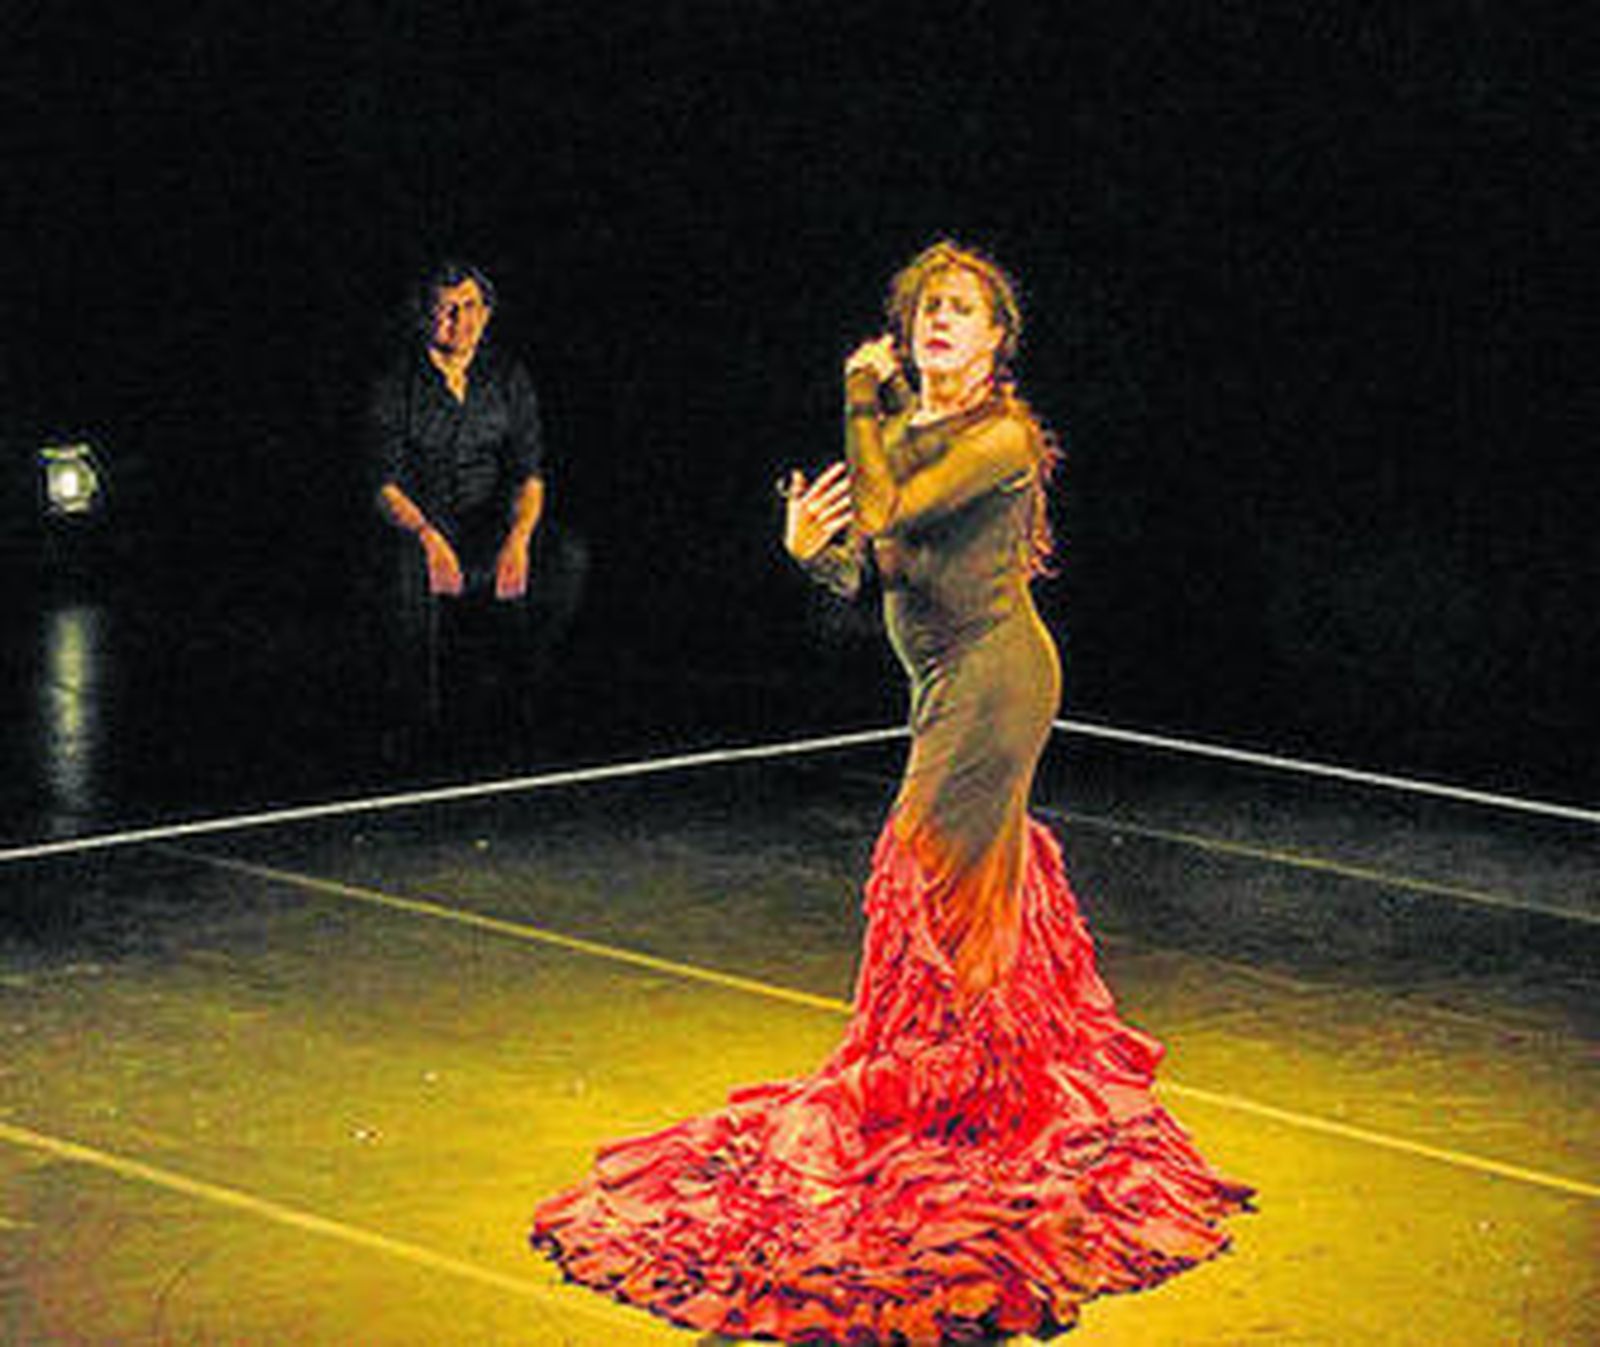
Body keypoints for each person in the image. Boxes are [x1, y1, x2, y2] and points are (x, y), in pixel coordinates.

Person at [530, 242, 1251, 1343]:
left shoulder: (1001, 439)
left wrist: (857, 402)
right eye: (924, 311)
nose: (936, 325)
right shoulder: (909, 434)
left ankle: (954, 1100)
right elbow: (873, 568)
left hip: (998, 679)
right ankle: (972, 1090)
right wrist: (805, 551)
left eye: (959, 312)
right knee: (957, 897)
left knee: (920, 873)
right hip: (942, 678)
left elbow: (890, 512)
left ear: (998, 339)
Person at [368, 260, 565, 747]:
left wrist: (518, 539)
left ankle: (524, 705)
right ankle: (417, 725)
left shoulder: (507, 376)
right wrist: (427, 537)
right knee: (405, 570)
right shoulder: (395, 382)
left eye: (472, 306)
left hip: (488, 523)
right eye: (447, 309)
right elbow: (383, 483)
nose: (462, 319)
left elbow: (529, 471)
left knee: (565, 556)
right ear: (424, 316)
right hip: (421, 528)